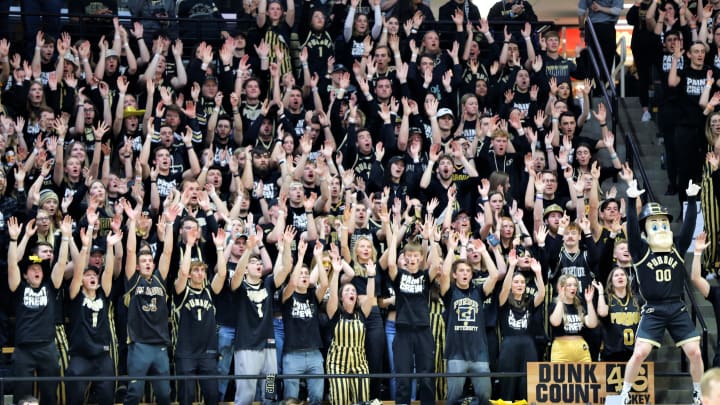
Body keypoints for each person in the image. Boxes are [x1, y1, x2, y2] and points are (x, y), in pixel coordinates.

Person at [618, 165, 703, 405]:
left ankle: (698, 392)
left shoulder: (676, 247)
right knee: (639, 353)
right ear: (647, 229)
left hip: (677, 308)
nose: (662, 228)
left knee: (695, 352)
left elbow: (687, 229)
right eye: (655, 225)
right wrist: (631, 197)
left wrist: (692, 199)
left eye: (664, 224)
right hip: (653, 309)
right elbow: (632, 232)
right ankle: (624, 394)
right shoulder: (640, 250)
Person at [7, 216, 69, 405]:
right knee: (22, 398)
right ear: (25, 274)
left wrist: (66, 238)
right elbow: (12, 264)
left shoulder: (51, 286)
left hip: (47, 348)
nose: (37, 271)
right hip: (24, 350)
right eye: (32, 269)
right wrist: (15, 239)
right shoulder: (19, 288)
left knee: (50, 396)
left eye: (39, 269)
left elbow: (60, 264)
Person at [123, 201, 179, 405]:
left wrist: (171, 225)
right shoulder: (132, 280)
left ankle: (271, 397)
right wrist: (131, 222)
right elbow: (130, 252)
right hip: (140, 345)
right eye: (143, 261)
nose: (147, 262)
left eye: (149, 260)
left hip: (160, 345)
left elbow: (168, 253)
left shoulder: (159, 279)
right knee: (134, 394)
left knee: (164, 395)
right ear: (137, 267)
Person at [439, 235, 500, 404]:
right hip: (456, 354)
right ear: (455, 275)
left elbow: (495, 275)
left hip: (479, 354)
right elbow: (443, 274)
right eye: (461, 271)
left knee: (484, 398)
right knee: (453, 399)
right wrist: (451, 249)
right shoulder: (450, 293)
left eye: (468, 271)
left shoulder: (478, 292)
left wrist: (484, 252)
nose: (465, 273)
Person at [325, 244, 376, 405]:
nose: (351, 293)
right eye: (347, 291)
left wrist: (371, 276)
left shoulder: (362, 313)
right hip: (337, 364)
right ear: (341, 298)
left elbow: (370, 295)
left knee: (362, 401)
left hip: (360, 364)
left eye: (353, 291)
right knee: (341, 400)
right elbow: (332, 294)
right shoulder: (335, 311)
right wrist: (335, 272)